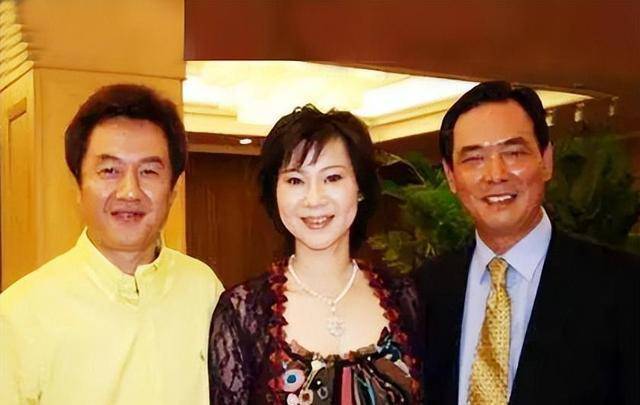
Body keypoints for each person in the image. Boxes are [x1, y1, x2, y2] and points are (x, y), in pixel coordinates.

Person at [0, 84, 224, 405]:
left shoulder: (204, 289)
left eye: (149, 171)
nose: (129, 191)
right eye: (109, 170)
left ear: (173, 191)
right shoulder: (20, 313)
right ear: (78, 186)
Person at [417, 81, 639, 405]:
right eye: (474, 159)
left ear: (546, 160)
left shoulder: (624, 285)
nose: (495, 174)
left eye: (513, 153)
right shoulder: (424, 291)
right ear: (451, 176)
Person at [208, 105, 422, 404]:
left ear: (360, 187)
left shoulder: (406, 298)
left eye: (332, 178)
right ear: (274, 192)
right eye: (295, 180)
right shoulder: (242, 313)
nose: (314, 199)